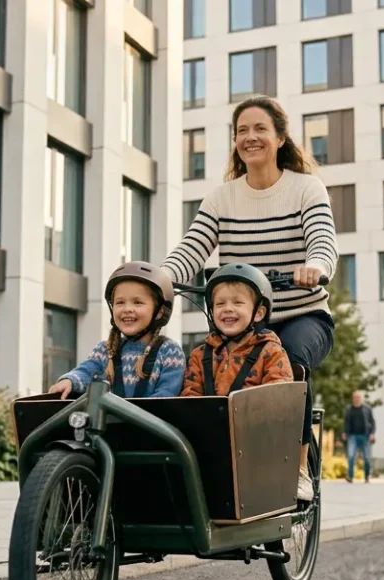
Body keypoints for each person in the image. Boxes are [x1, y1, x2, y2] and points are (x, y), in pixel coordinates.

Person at [160, 95, 338, 502]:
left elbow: (323, 240)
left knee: (288, 359)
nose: (250, 137)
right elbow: (192, 249)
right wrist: (161, 279)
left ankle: (295, 469)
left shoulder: (306, 188)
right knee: (201, 370)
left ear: (279, 138)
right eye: (242, 131)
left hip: (302, 315)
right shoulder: (223, 198)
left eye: (260, 129)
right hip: (244, 321)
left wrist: (316, 265)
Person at [49, 262, 186, 399]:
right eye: (120, 302)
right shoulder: (105, 350)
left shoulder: (170, 352)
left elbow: (166, 397)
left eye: (137, 302)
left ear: (160, 311)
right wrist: (70, 381)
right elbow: (86, 371)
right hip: (109, 420)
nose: (127, 309)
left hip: (150, 420)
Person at [181, 264, 294, 397]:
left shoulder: (272, 353)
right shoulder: (199, 356)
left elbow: (278, 397)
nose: (227, 309)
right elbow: (189, 398)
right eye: (220, 304)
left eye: (238, 303)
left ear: (258, 313)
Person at [343, 392, 375, 484]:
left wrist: (372, 433)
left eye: (358, 397)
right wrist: (345, 432)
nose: (357, 399)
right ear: (353, 399)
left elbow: (372, 422)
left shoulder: (367, 409)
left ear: (361, 398)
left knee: (367, 457)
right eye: (355, 397)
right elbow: (346, 422)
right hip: (352, 436)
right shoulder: (349, 409)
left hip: (365, 436)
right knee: (351, 456)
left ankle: (367, 476)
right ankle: (350, 476)